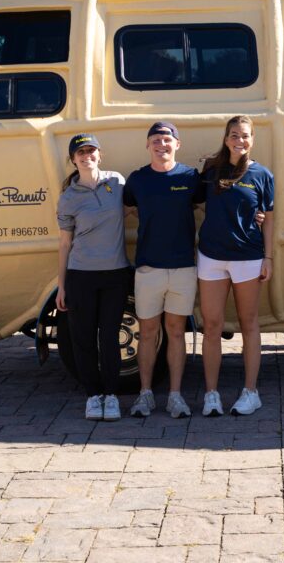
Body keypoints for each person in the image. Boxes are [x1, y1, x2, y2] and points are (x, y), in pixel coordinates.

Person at [197, 115, 275, 417]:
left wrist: (268, 257)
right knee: (212, 325)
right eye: (233, 135)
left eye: (244, 135)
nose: (239, 140)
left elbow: (268, 219)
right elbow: (198, 203)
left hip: (248, 258)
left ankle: (250, 392)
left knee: (248, 324)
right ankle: (211, 394)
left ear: (252, 139)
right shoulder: (211, 170)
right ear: (226, 138)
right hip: (211, 257)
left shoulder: (262, 175)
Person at [122, 121, 201, 419]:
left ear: (177, 145)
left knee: (176, 332)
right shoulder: (137, 180)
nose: (161, 144)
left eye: (167, 139)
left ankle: (175, 397)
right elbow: (127, 209)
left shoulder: (191, 177)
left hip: (182, 267)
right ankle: (145, 395)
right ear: (147, 146)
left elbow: (210, 206)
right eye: (155, 139)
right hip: (148, 269)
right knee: (147, 333)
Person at [56, 133, 132, 421]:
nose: (86, 156)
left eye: (91, 151)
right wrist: (62, 285)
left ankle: (111, 396)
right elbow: (64, 244)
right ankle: (93, 395)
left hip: (115, 273)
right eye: (80, 152)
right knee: (83, 339)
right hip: (80, 276)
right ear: (73, 160)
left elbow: (137, 206)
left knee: (110, 337)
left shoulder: (117, 182)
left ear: (100, 155)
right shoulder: (69, 198)